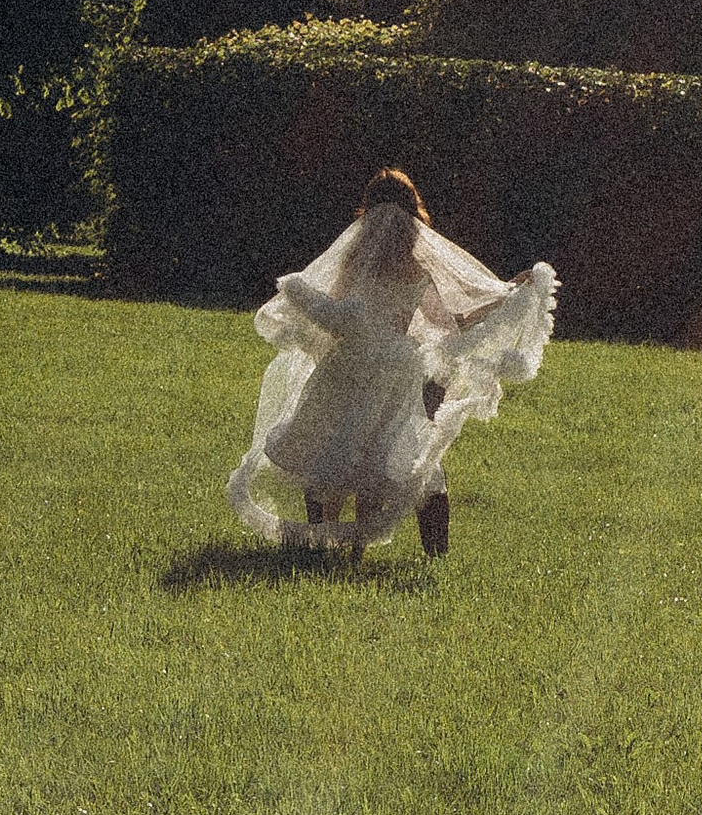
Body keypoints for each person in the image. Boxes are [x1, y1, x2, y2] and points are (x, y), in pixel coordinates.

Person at [226, 167, 557, 558]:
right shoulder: (418, 263)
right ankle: (391, 550)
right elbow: (455, 318)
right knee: (386, 453)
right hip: (397, 367)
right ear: (414, 210)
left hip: (349, 360)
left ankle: (323, 544)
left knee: (329, 445)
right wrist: (510, 294)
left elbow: (333, 309)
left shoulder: (353, 258)